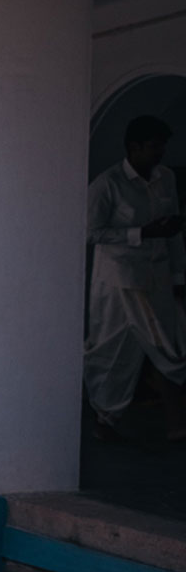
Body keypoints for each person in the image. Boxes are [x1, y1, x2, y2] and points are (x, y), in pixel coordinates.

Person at [84, 114, 186, 440]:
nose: (159, 154)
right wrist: (141, 233)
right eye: (154, 147)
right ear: (134, 147)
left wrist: (178, 274)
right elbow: (92, 233)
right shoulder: (108, 184)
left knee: (169, 348)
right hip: (120, 280)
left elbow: (172, 234)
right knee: (111, 348)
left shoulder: (165, 178)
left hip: (156, 277)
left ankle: (176, 427)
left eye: (162, 147)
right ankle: (104, 418)